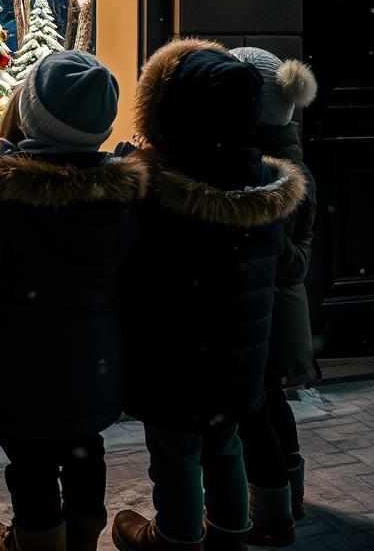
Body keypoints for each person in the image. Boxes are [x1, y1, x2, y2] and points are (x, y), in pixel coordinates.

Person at [112, 39, 307, 551]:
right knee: (225, 447)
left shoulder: (155, 189)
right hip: (238, 362)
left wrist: (131, 159)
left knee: (176, 455)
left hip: (173, 361)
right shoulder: (266, 183)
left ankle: (177, 537)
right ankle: (230, 534)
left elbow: (129, 257)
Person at [0, 52, 147, 551]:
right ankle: (82, 540)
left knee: (30, 465)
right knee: (87, 450)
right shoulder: (126, 197)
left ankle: (37, 541)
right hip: (97, 362)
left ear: (30, 115)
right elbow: (133, 286)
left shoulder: (1, 199)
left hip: (22, 370)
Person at [230, 48, 319, 546]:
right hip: (279, 315)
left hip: (264, 316)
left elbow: (291, 260)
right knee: (271, 403)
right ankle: (290, 493)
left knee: (256, 410)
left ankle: (272, 511)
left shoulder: (270, 173)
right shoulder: (294, 163)